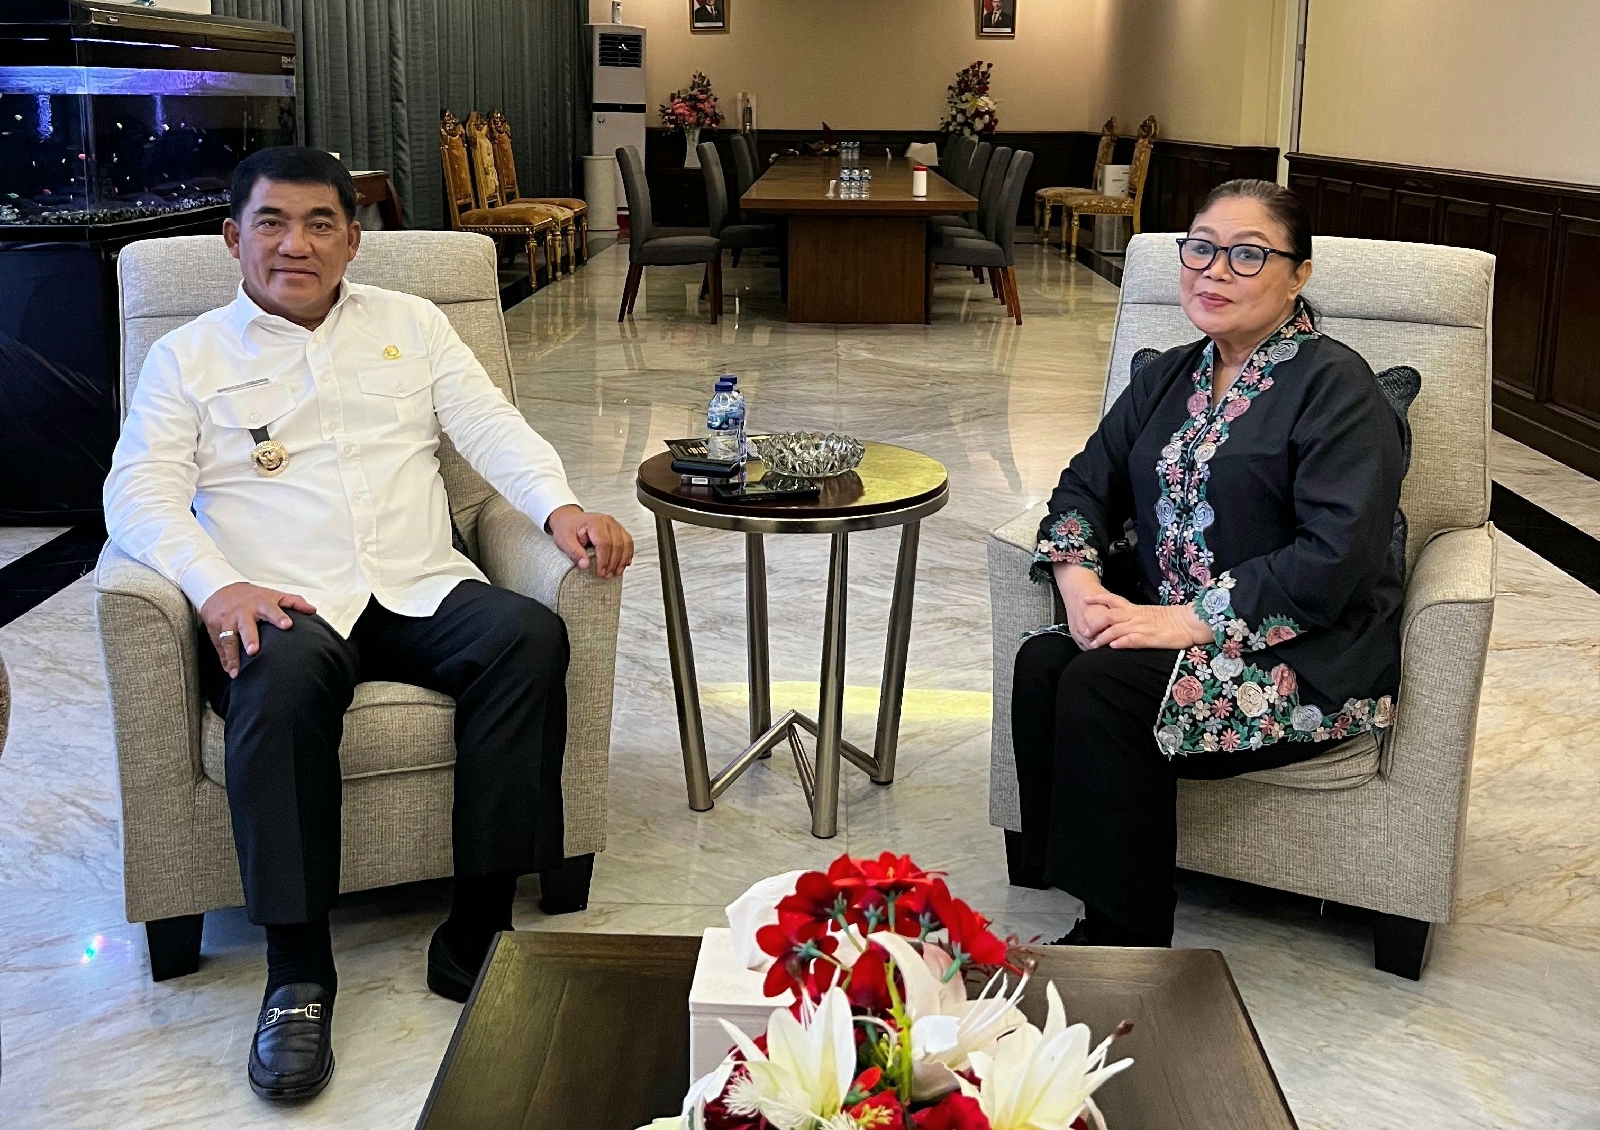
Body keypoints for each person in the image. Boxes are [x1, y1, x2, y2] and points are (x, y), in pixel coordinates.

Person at [103, 146, 634, 1101]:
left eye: (320, 224)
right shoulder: (189, 356)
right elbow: (137, 492)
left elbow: (490, 426)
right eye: (271, 223)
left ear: (353, 240)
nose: (295, 244)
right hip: (284, 601)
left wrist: (559, 509)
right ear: (232, 239)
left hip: (416, 582)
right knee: (276, 676)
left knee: (528, 637)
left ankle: (478, 933)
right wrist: (216, 587)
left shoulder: (413, 323)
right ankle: (298, 974)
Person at [1009, 178, 1404, 949]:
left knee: (1102, 683)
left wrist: (1185, 622)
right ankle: (1078, 883)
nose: (1214, 271)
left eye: (1247, 254)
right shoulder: (1168, 375)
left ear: (1298, 275)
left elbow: (1335, 557)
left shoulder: (1337, 387)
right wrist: (1078, 583)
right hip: (1172, 634)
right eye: (1201, 249)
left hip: (1304, 656)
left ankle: (1124, 945)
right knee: (1046, 661)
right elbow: (1086, 483)